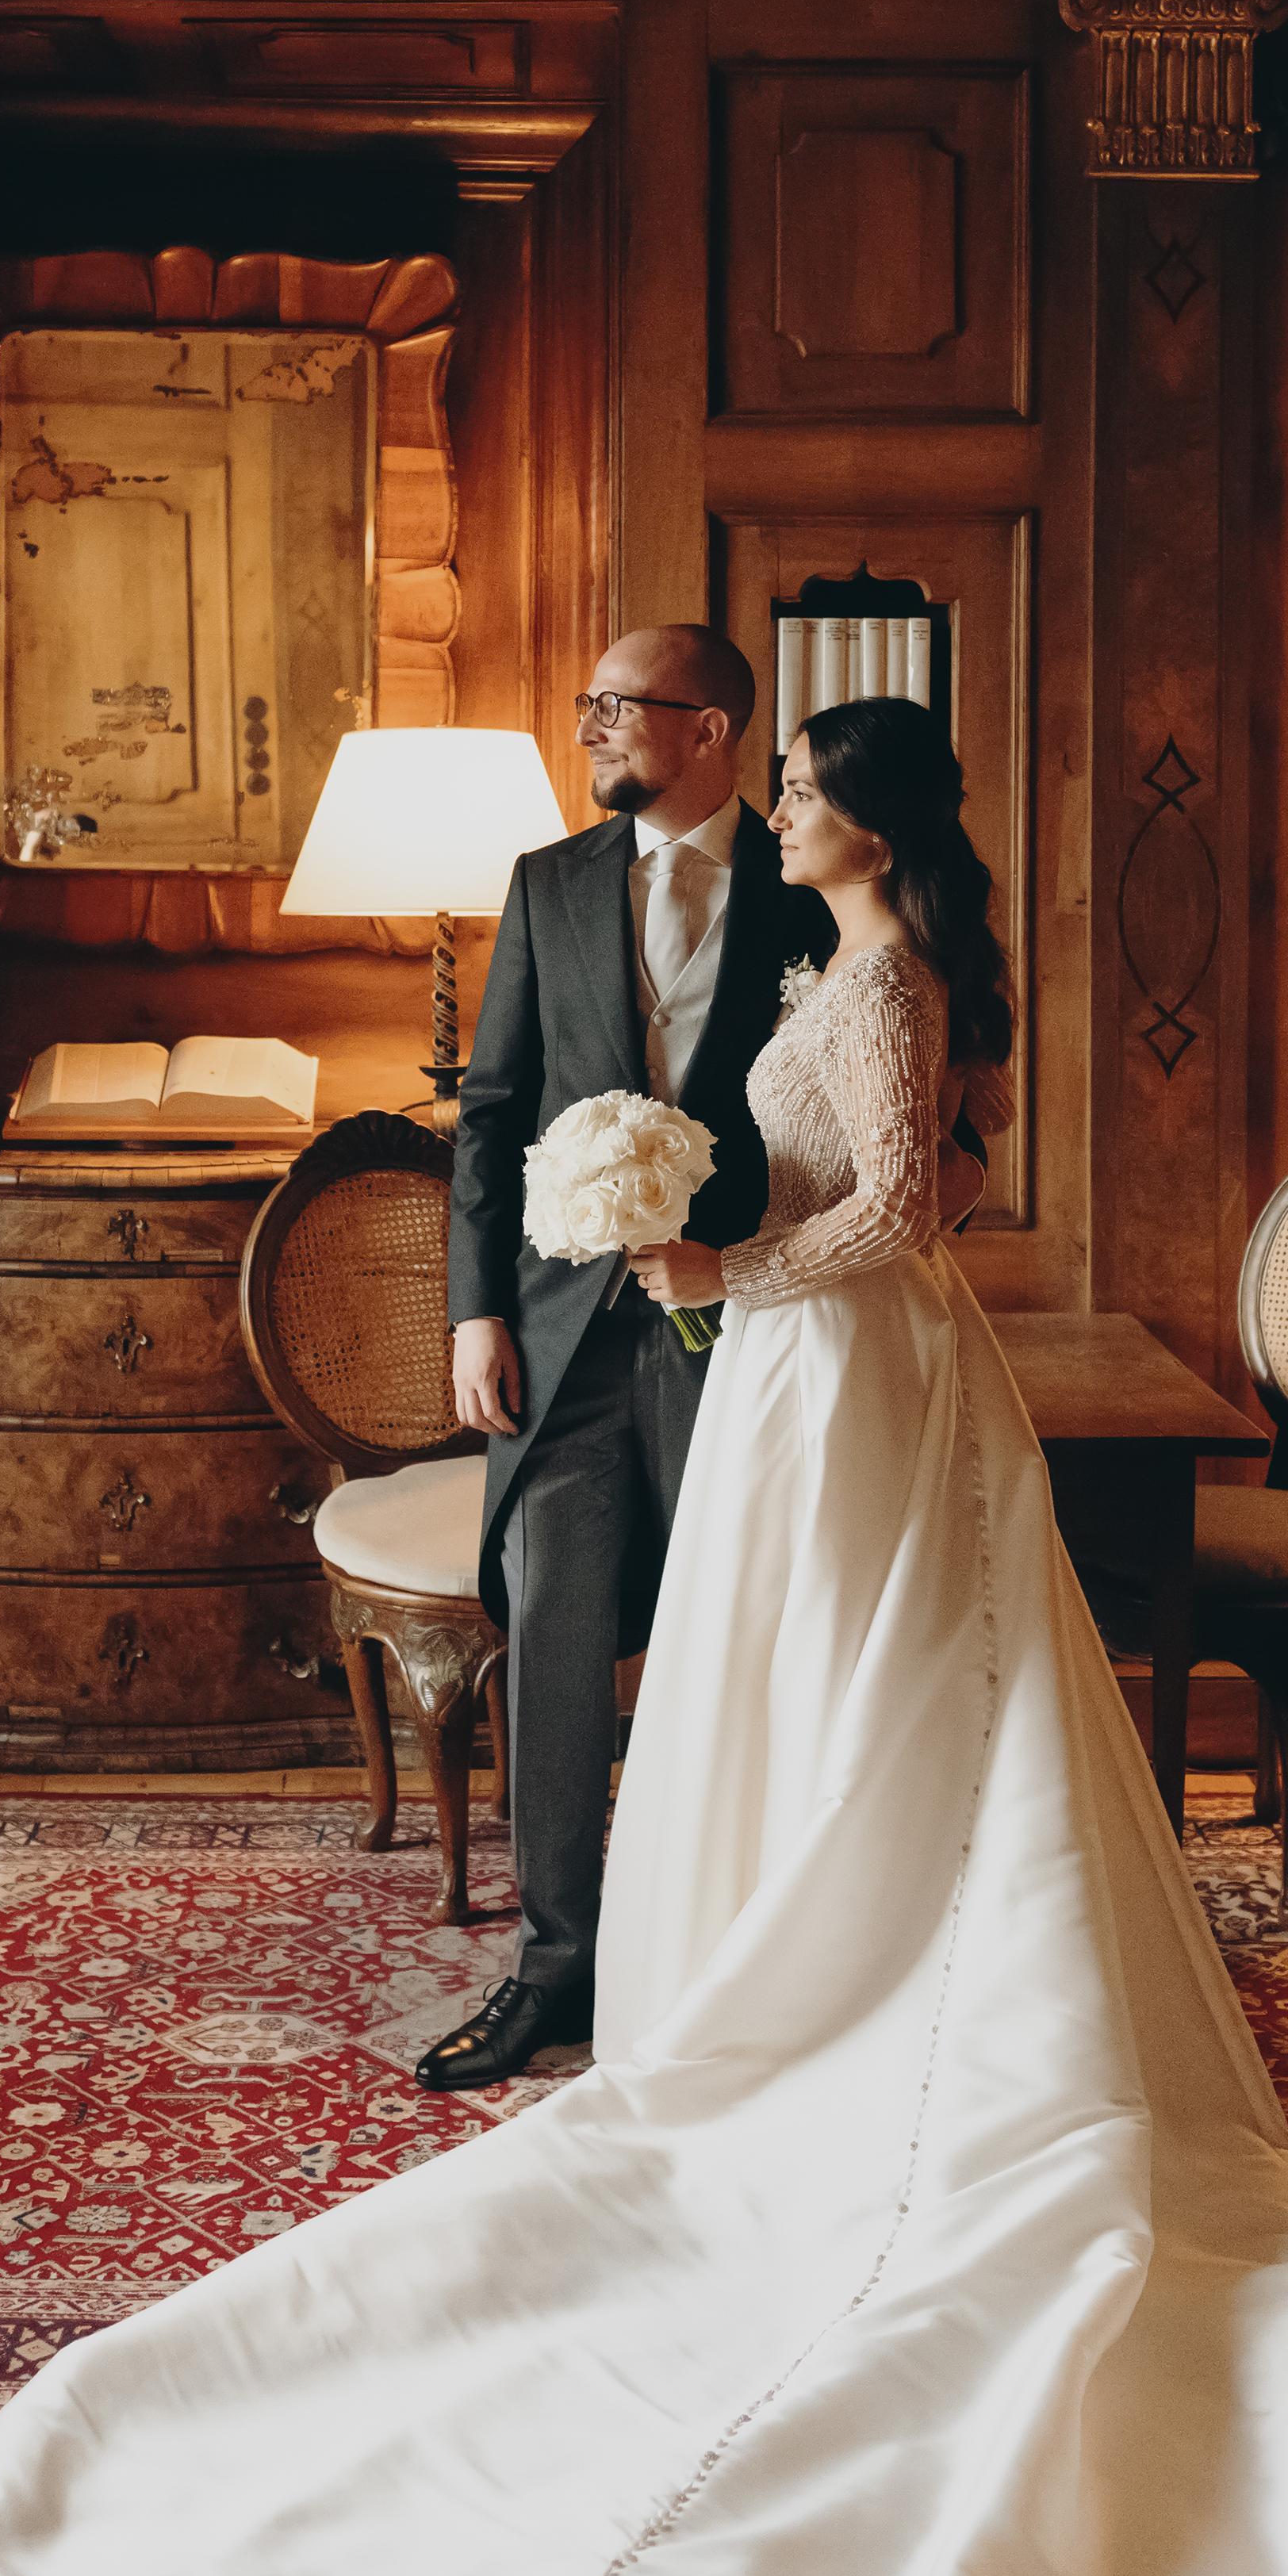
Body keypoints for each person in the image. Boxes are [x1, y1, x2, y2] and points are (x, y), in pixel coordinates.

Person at [0, 695, 1288, 2576]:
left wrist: (713, 1256)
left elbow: (904, 1204)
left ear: (855, 809)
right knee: (785, 1691)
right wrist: (665, 1243)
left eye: (787, 774)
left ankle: (888, 2004)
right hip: (777, 1370)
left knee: (890, 1690)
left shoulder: (875, 976)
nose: (759, 797)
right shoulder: (823, 946)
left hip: (832, 1367)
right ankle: (762, 1950)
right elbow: (643, 1141)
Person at [420, 623, 977, 2093]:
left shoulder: (827, 888)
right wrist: (476, 1309)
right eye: (590, 703)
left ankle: (738, 1959)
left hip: (763, 1332)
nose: (592, 725)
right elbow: (491, 1110)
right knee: (552, 1625)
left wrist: (757, 1268)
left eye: (620, 706)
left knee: (750, 1639)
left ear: (714, 728)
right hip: (557, 1328)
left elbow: (936, 1141)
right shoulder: (548, 885)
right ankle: (556, 1970)